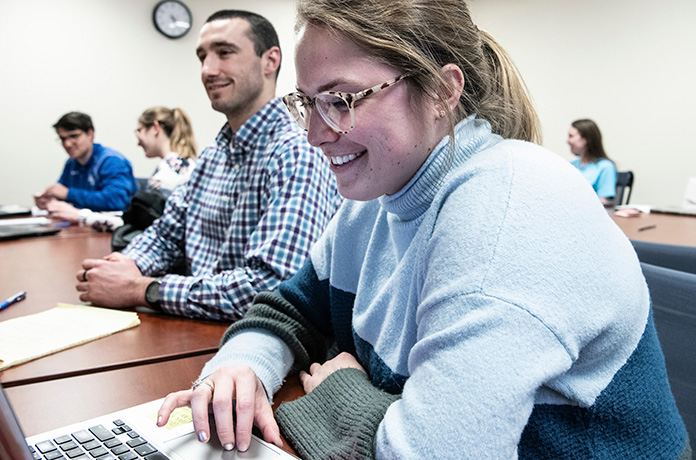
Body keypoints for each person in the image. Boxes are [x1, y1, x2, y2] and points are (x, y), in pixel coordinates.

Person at [156, 0, 691, 458]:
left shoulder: (509, 210)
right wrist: (243, 366)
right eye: (306, 102)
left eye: (340, 100)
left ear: (440, 90)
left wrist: (341, 394)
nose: (316, 134)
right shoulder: (378, 197)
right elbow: (292, 307)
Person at [75, 10, 341, 322]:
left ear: (270, 61)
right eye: (202, 56)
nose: (208, 69)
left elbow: (273, 289)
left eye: (224, 53)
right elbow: (168, 232)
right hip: (195, 324)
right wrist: (122, 266)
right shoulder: (215, 153)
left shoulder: (296, 153)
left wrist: (143, 288)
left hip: (250, 344)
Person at [46, 106, 198, 231]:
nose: (138, 142)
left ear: (155, 128)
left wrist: (81, 216)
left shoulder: (169, 173)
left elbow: (142, 227)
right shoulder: (178, 165)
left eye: (139, 131)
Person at [34, 111, 137, 212]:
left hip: (110, 225)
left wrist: (69, 194)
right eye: (62, 139)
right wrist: (50, 201)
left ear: (90, 134)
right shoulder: (71, 163)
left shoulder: (111, 160)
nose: (68, 144)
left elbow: (117, 201)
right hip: (82, 223)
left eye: (74, 136)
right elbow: (61, 193)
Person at [568, 118, 618, 205]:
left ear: (585, 139)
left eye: (571, 136)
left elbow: (604, 202)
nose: (567, 141)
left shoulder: (605, 167)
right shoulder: (570, 166)